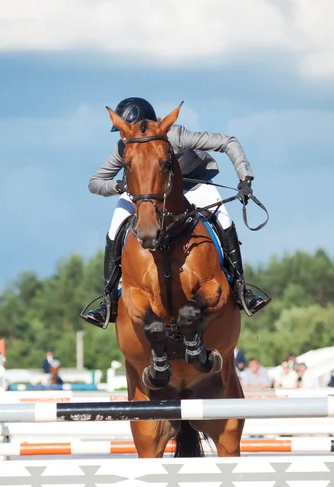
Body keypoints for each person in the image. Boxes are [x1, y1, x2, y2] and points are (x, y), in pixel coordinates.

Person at [82, 97, 271, 328]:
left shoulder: (176, 136)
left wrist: (245, 177)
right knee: (115, 227)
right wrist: (119, 187)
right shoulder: (123, 146)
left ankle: (241, 288)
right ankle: (108, 300)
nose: (123, 136)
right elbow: (95, 181)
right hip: (147, 195)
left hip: (193, 186)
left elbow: (228, 142)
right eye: (121, 132)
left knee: (223, 218)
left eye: (128, 130)